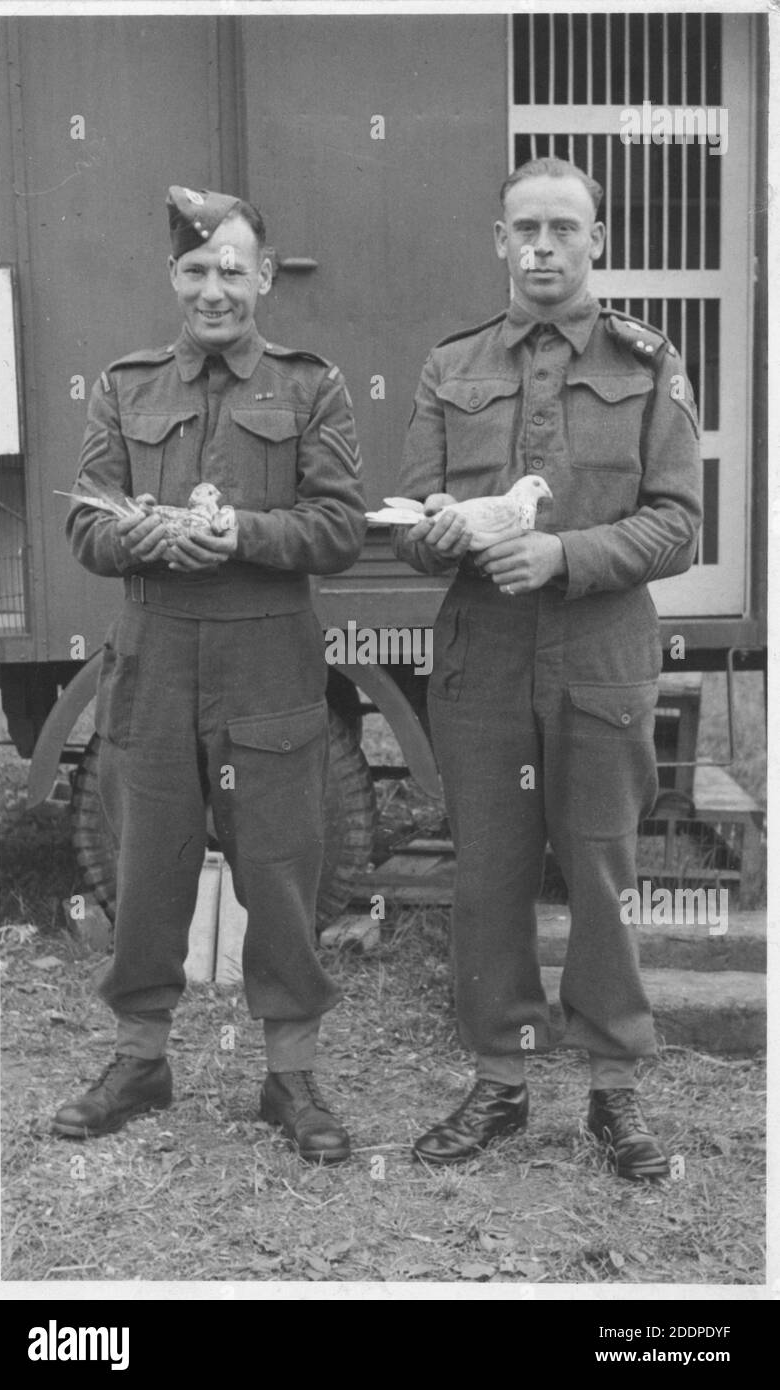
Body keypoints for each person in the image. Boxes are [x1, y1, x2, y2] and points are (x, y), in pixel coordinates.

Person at [392, 158, 702, 1180]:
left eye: (563, 229)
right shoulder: (451, 366)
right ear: (497, 241)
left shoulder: (648, 363)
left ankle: (614, 1091)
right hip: (483, 658)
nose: (541, 247)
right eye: (524, 228)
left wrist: (565, 556)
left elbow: (677, 525)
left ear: (597, 241)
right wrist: (439, 532)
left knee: (603, 873)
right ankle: (501, 1079)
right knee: (486, 875)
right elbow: (410, 523)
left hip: (600, 656)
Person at [52, 186, 366, 1163]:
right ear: (173, 279)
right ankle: (141, 1059)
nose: (215, 288)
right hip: (154, 663)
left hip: (269, 660)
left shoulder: (312, 387)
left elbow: (341, 526)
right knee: (148, 871)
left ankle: (291, 1077)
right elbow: (83, 521)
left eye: (233, 268)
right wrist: (135, 534)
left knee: (279, 873)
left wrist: (242, 534)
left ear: (265, 275)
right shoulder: (125, 386)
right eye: (196, 270)